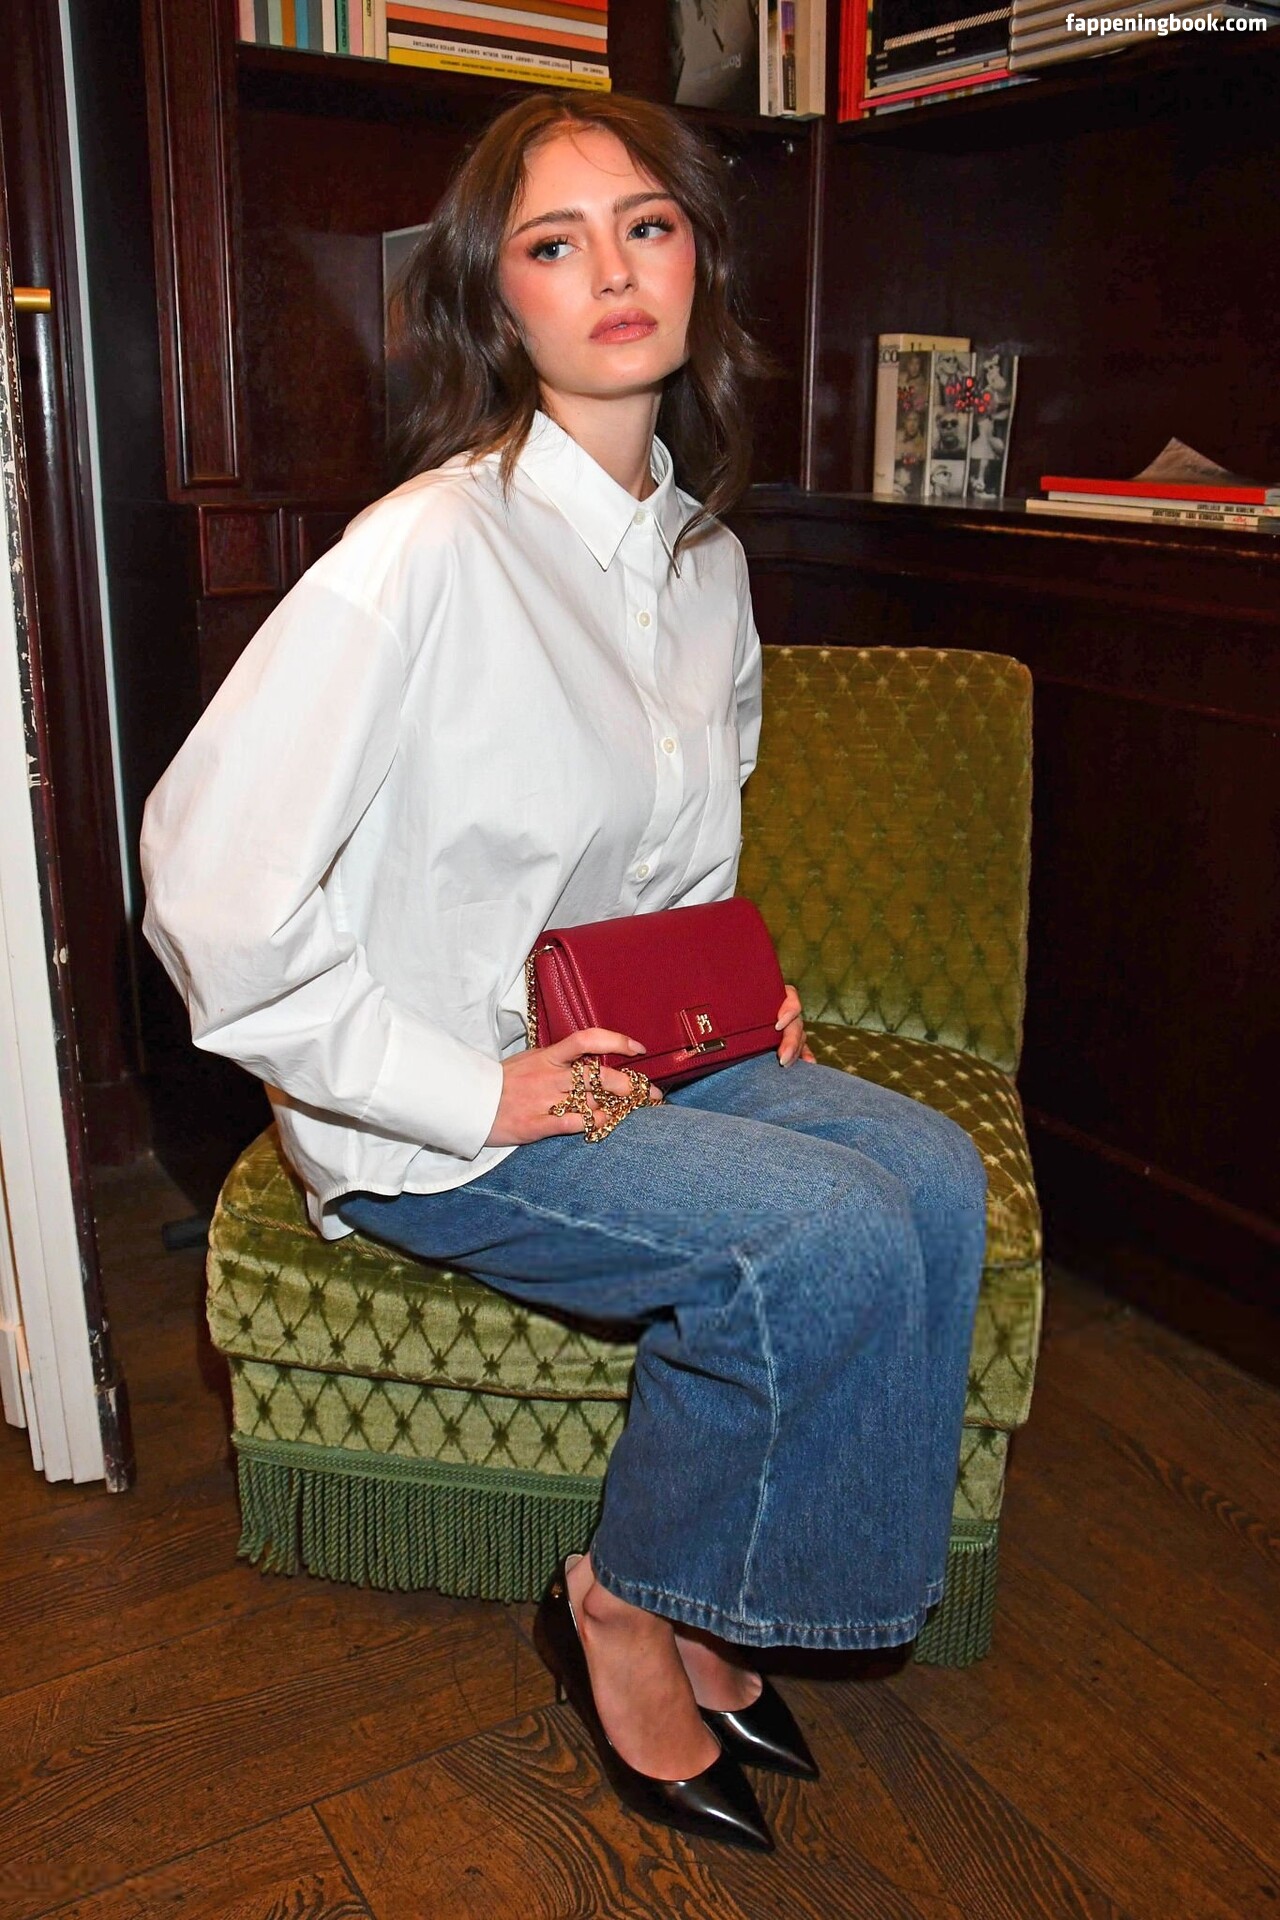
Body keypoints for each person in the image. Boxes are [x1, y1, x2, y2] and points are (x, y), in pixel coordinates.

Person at [140, 90, 988, 1854]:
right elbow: (206, 881)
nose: (612, 270)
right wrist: (475, 1090)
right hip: (446, 1111)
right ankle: (628, 1595)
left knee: (928, 1176)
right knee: (818, 1233)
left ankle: (726, 1590)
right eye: (554, 243)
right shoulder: (426, 552)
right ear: (497, 302)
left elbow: (681, 848)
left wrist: (730, 995)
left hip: (633, 1049)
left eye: (646, 227)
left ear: (699, 267)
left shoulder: (705, 561)